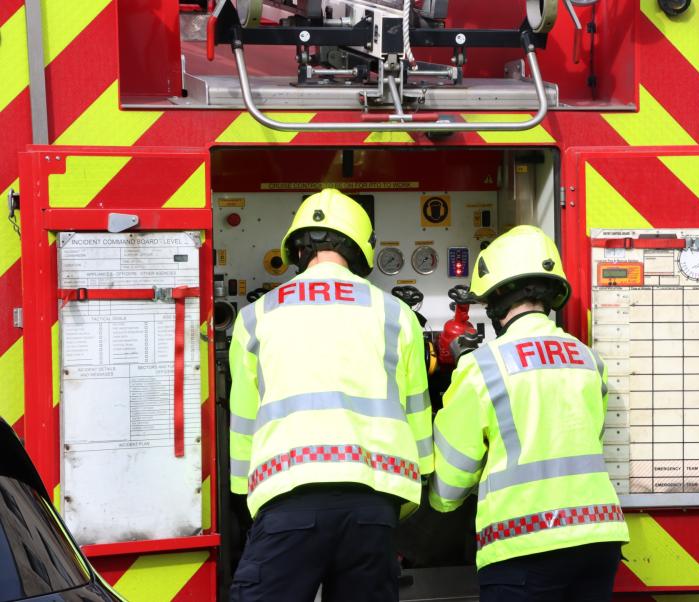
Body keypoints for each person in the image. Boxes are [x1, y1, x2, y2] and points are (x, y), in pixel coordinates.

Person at [228, 189, 433, 602]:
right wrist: (413, 493)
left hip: (288, 498)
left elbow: (244, 421)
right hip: (374, 506)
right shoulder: (397, 315)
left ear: (299, 249)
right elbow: (416, 415)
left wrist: (241, 499)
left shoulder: (257, 316)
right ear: (359, 250)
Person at [429, 225, 629, 602]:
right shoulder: (588, 359)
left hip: (523, 544)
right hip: (597, 541)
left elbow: (452, 479)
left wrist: (438, 503)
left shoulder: (483, 367)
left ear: (497, 299)